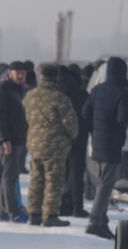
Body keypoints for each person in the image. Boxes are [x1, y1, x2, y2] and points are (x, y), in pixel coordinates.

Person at [23, 64, 78, 227]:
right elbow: (71, 123)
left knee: (36, 179)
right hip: (55, 146)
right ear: (56, 77)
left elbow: (26, 116)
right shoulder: (59, 98)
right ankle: (50, 215)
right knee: (54, 180)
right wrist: (71, 137)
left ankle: (33, 213)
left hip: (34, 144)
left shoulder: (30, 96)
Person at [83, 56, 128, 239]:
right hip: (112, 144)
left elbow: (85, 112)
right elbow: (123, 119)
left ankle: (101, 221)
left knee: (101, 184)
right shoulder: (122, 93)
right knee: (106, 186)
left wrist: (94, 129)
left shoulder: (97, 90)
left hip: (97, 142)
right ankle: (95, 222)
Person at [0, 61, 29, 223]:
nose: (20, 75)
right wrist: (4, 139)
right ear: (10, 73)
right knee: (9, 176)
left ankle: (3, 210)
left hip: (20, 138)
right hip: (9, 140)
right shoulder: (2, 89)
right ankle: (14, 211)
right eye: (17, 72)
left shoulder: (21, 89)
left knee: (10, 175)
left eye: (22, 72)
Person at [58, 65, 90, 218]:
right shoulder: (83, 94)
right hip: (79, 140)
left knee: (61, 174)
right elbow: (88, 117)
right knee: (77, 176)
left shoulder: (58, 94)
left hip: (60, 140)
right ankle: (78, 208)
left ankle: (62, 205)